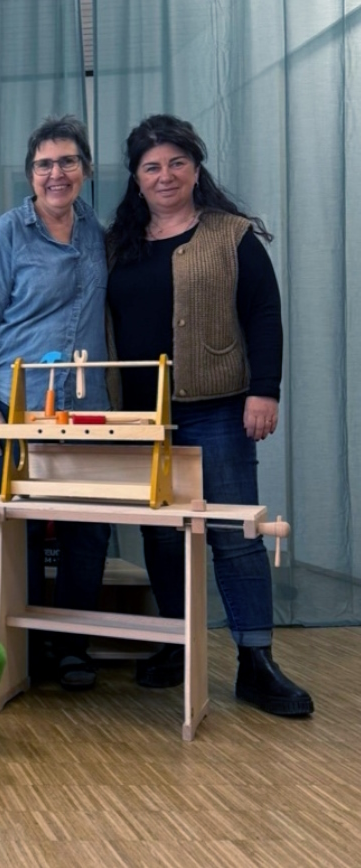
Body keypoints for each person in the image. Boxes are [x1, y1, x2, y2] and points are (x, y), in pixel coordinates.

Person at [105, 114, 313, 716]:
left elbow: (264, 313)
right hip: (143, 417)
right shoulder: (118, 243)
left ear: (196, 169)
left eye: (177, 162)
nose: (165, 175)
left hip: (218, 409)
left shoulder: (232, 235)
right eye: (152, 167)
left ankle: (256, 661)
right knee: (161, 537)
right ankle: (177, 644)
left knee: (234, 535)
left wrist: (264, 390)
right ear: (136, 178)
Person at [0, 115, 112, 691]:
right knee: (20, 531)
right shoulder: (6, 233)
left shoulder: (97, 231)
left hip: (85, 406)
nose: (57, 173)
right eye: (44, 164)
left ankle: (70, 645)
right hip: (16, 405)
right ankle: (19, 652)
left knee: (87, 531)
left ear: (85, 169)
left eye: (67, 161)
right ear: (30, 175)